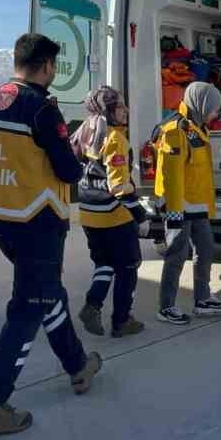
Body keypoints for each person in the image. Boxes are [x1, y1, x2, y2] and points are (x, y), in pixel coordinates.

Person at [0, 33, 103, 438]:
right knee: (28, 308)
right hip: (39, 221)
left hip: (2, 218)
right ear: (47, 66)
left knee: (48, 294)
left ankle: (78, 366)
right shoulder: (42, 109)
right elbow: (69, 172)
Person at [152, 81, 221, 324]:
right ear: (202, 104)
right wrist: (174, 214)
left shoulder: (195, 127)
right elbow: (172, 176)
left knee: (205, 249)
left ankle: (202, 299)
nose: (216, 114)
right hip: (179, 205)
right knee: (176, 254)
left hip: (196, 204)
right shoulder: (176, 130)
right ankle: (166, 307)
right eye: (214, 109)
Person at [71, 86, 147, 339]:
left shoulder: (85, 130)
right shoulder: (114, 139)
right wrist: (140, 214)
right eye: (119, 106)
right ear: (107, 110)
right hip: (113, 215)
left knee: (104, 264)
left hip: (89, 214)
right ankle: (122, 321)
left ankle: (93, 305)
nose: (125, 110)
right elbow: (118, 187)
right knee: (128, 266)